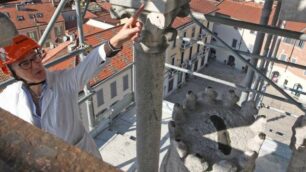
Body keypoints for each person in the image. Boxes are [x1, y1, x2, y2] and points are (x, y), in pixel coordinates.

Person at [0, 5, 144, 159]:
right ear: (10, 71)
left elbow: (91, 63)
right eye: (25, 63)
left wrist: (117, 39)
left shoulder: (63, 81)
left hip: (78, 159)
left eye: (35, 56)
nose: (35, 64)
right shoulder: (9, 97)